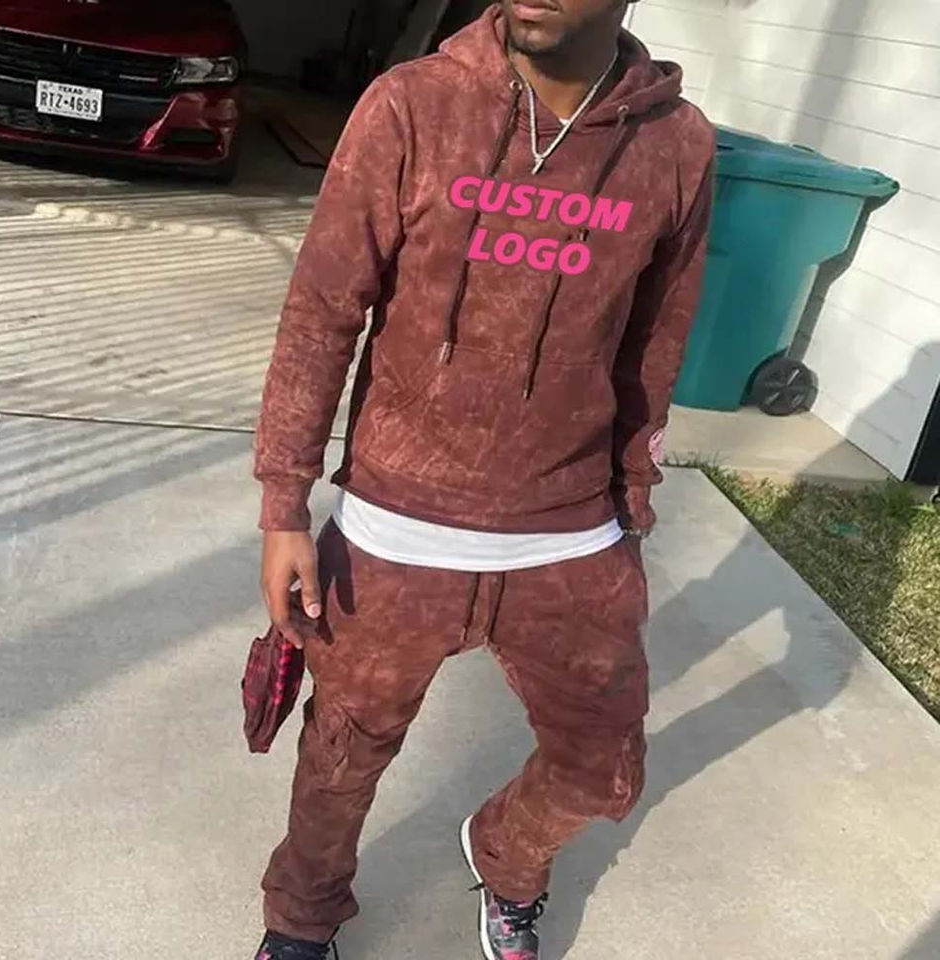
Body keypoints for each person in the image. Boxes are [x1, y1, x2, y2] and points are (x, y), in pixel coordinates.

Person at [252, 1, 714, 957]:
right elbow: (323, 309)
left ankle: (506, 855)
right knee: (340, 759)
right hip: (396, 526)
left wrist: (631, 500)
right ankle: (301, 920)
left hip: (568, 529)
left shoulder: (676, 142)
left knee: (602, 768)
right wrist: (284, 500)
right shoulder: (413, 105)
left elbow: (656, 340)